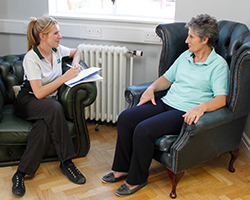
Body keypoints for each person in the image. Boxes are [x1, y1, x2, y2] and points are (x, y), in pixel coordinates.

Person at [102, 14, 229, 196]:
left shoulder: (218, 66)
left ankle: (137, 180)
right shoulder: (186, 56)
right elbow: (167, 79)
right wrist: (152, 88)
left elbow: (221, 99)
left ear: (205, 39)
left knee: (143, 130)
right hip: (167, 102)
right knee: (125, 118)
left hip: (184, 112)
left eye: (191, 37)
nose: (187, 40)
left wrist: (201, 107)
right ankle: (122, 168)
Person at [12, 16, 86, 197]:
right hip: (27, 101)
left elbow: (77, 51)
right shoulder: (32, 57)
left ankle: (20, 174)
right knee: (54, 107)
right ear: (42, 36)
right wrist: (65, 77)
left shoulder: (57, 50)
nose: (60, 36)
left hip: (47, 106)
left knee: (44, 126)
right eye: (56, 33)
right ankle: (67, 162)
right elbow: (38, 93)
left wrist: (75, 63)